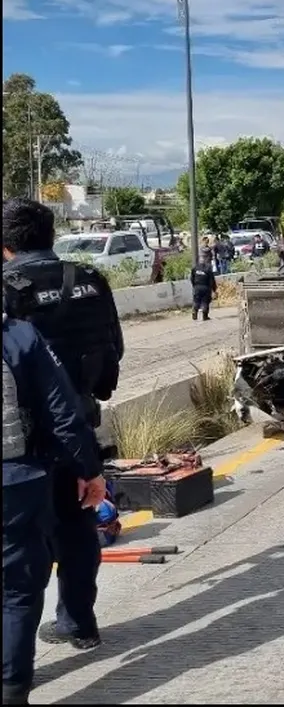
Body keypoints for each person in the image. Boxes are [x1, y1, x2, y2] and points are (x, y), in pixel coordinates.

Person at [1, 197, 123, 652]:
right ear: (50, 235)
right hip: (80, 429)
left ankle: (16, 658)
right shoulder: (91, 280)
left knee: (19, 547)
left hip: (21, 443)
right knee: (76, 528)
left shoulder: (7, 288)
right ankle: (78, 621)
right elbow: (114, 351)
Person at [3, 308, 107, 706]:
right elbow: (63, 412)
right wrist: (89, 470)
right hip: (15, 481)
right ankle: (12, 689)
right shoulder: (20, 336)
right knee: (17, 590)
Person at [191, 249, 217, 321]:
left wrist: (194, 286)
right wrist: (214, 289)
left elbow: (192, 278)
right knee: (205, 301)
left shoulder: (195, 268)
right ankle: (204, 316)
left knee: (196, 300)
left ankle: (194, 311)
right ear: (205, 259)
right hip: (206, 287)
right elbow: (212, 280)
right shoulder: (208, 269)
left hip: (197, 287)